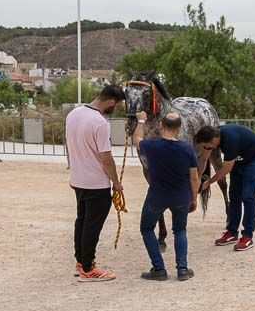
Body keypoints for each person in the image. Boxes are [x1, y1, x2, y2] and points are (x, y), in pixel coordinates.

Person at [65, 85, 125, 282]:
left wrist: (71, 166)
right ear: (110, 101)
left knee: (81, 220)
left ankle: (81, 262)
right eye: (116, 105)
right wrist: (116, 182)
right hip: (96, 182)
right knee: (92, 225)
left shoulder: (73, 114)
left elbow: (68, 144)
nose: (115, 108)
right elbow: (106, 157)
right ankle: (89, 268)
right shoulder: (100, 123)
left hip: (78, 179)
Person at [132, 110, 200, 281]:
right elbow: (194, 176)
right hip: (181, 196)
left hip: (157, 195)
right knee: (180, 230)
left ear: (161, 125)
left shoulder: (151, 146)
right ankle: (182, 269)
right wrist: (194, 198)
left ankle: (159, 268)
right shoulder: (187, 148)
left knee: (147, 228)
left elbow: (136, 140)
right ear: (179, 127)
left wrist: (141, 121)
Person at [195, 123, 255, 252]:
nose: (206, 148)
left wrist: (209, 182)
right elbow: (205, 159)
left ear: (215, 140)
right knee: (234, 197)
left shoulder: (230, 140)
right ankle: (232, 232)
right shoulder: (215, 134)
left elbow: (226, 169)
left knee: (248, 197)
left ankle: (247, 236)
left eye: (207, 145)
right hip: (239, 161)